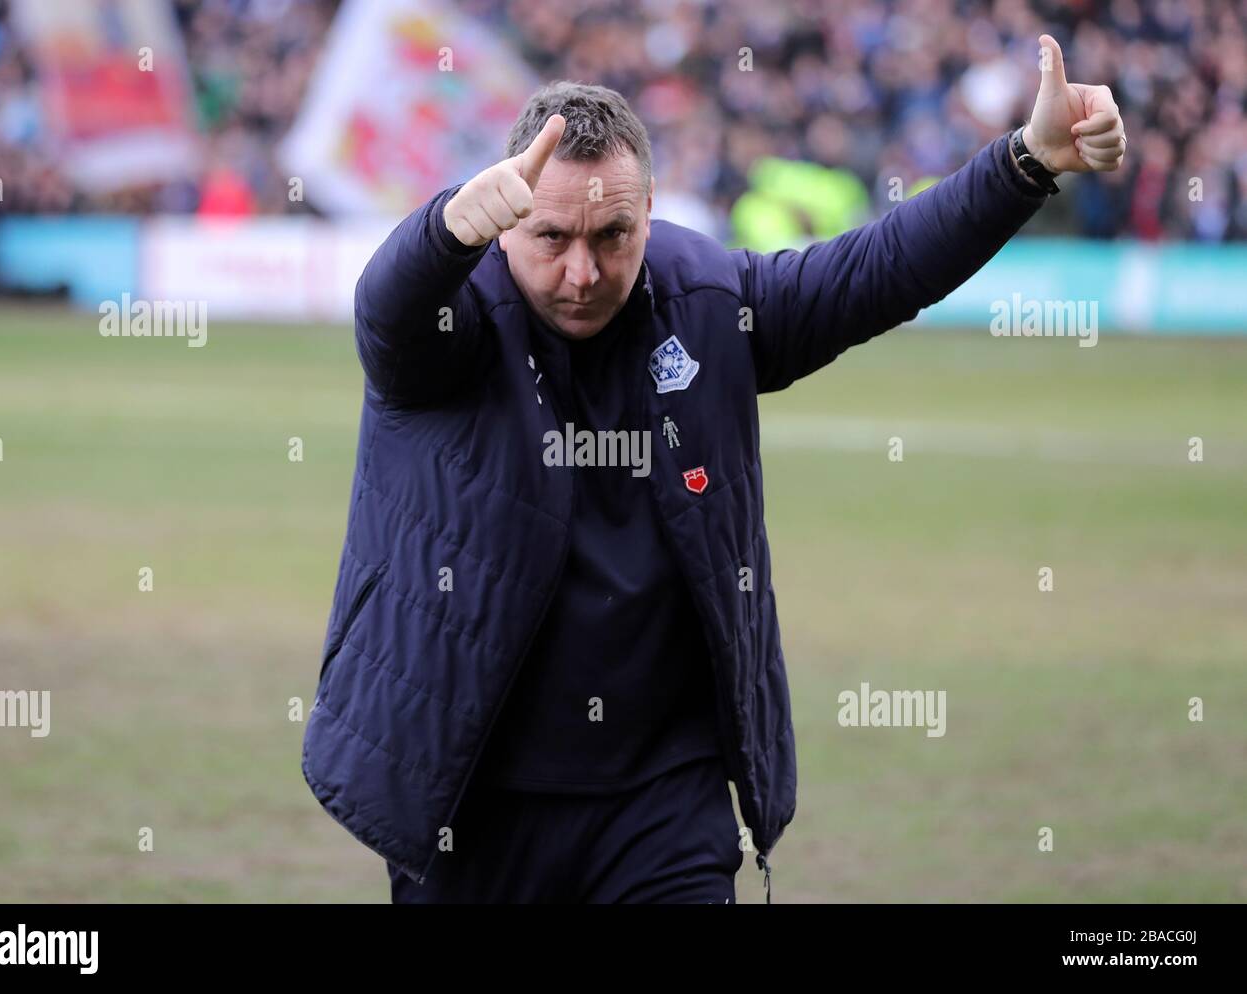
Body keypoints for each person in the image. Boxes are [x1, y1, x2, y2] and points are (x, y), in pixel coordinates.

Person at [301, 34, 1125, 903]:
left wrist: (1026, 161)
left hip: (663, 805)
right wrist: (439, 234)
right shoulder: (451, 318)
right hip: (468, 800)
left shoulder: (709, 305)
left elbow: (877, 270)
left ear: (650, 211)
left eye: (612, 235)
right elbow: (385, 316)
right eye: (550, 237)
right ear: (505, 224)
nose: (582, 272)